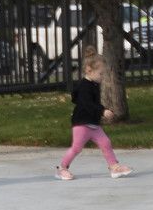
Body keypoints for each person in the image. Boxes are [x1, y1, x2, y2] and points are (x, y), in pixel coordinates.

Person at [55, 52, 131, 181]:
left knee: (105, 142)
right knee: (77, 148)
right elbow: (87, 103)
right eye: (100, 73)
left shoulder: (94, 84)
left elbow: (92, 103)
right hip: (82, 123)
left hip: (92, 123)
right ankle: (62, 169)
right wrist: (102, 111)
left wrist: (100, 112)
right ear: (89, 70)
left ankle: (114, 167)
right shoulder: (85, 86)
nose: (102, 76)